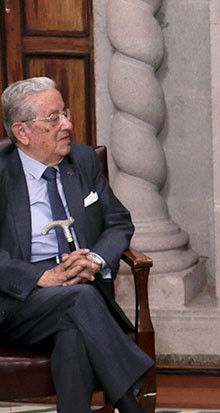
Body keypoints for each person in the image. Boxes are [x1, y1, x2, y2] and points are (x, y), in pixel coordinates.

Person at [0, 77, 153, 413]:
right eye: (53, 119)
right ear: (22, 132)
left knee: (74, 331)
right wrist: (40, 278)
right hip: (16, 298)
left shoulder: (81, 161)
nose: (67, 124)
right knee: (81, 300)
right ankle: (132, 402)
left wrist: (95, 260)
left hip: (79, 289)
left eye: (64, 114)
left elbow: (118, 222)